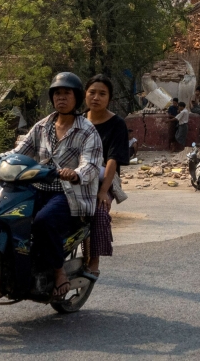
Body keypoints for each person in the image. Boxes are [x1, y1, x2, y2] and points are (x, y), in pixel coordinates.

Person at [0, 72, 103, 299]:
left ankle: (59, 272)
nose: (61, 98)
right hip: (37, 188)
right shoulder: (43, 126)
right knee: (9, 215)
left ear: (76, 98)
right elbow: (19, 152)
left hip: (69, 193)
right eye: (57, 93)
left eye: (67, 93)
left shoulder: (87, 131)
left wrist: (74, 174)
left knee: (44, 221)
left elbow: (91, 165)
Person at [83, 74, 129, 276]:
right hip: (77, 176)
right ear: (85, 95)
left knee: (99, 212)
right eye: (92, 92)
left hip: (104, 178)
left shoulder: (117, 124)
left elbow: (113, 159)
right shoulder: (78, 120)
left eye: (102, 94)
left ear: (109, 98)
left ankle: (94, 260)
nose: (96, 97)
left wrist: (103, 191)